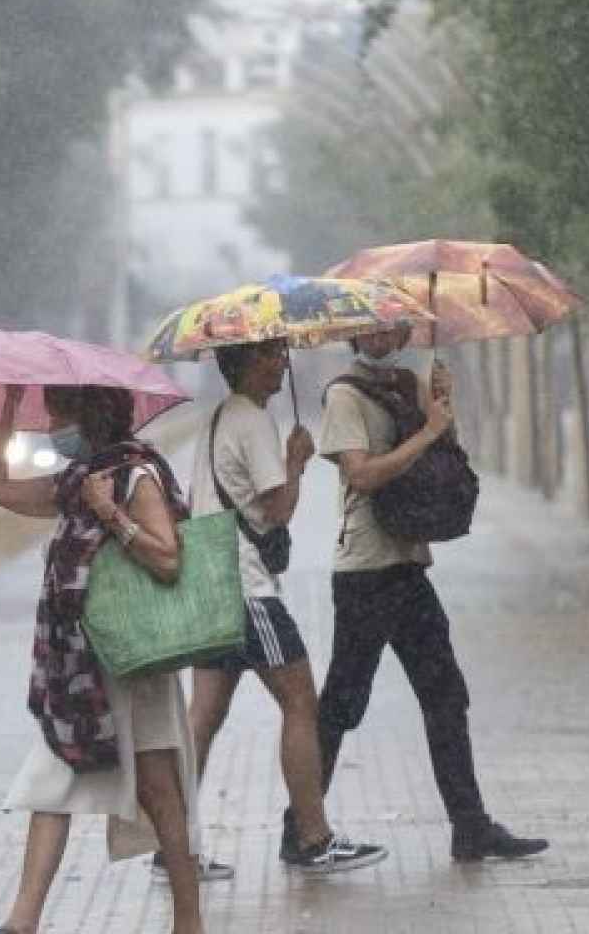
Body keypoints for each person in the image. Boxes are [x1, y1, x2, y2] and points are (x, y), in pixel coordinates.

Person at [306, 325, 550, 863]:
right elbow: (362, 475)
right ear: (353, 335)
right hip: (366, 571)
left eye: (387, 326)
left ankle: (471, 827)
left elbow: (443, 460)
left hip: (409, 566)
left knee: (445, 695)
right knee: (343, 704)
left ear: (402, 329)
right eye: (366, 329)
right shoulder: (344, 394)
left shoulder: (409, 384)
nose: (378, 336)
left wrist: (442, 408)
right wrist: (424, 433)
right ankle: (301, 829)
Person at [0, 383, 203, 934]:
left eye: (57, 416)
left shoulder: (135, 476)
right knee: (53, 776)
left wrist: (111, 515)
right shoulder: (76, 483)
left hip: (131, 659)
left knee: (157, 789)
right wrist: (6, 413)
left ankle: (189, 921)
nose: (53, 429)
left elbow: (169, 559)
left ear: (87, 415)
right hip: (82, 668)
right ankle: (22, 922)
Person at [169, 337, 387, 877]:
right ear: (242, 363)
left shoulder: (220, 419)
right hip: (248, 589)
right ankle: (313, 839)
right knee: (300, 704)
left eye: (280, 355)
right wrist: (295, 462)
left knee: (204, 717)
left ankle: (170, 847)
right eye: (270, 356)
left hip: (210, 584)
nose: (280, 364)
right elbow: (279, 510)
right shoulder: (251, 422)